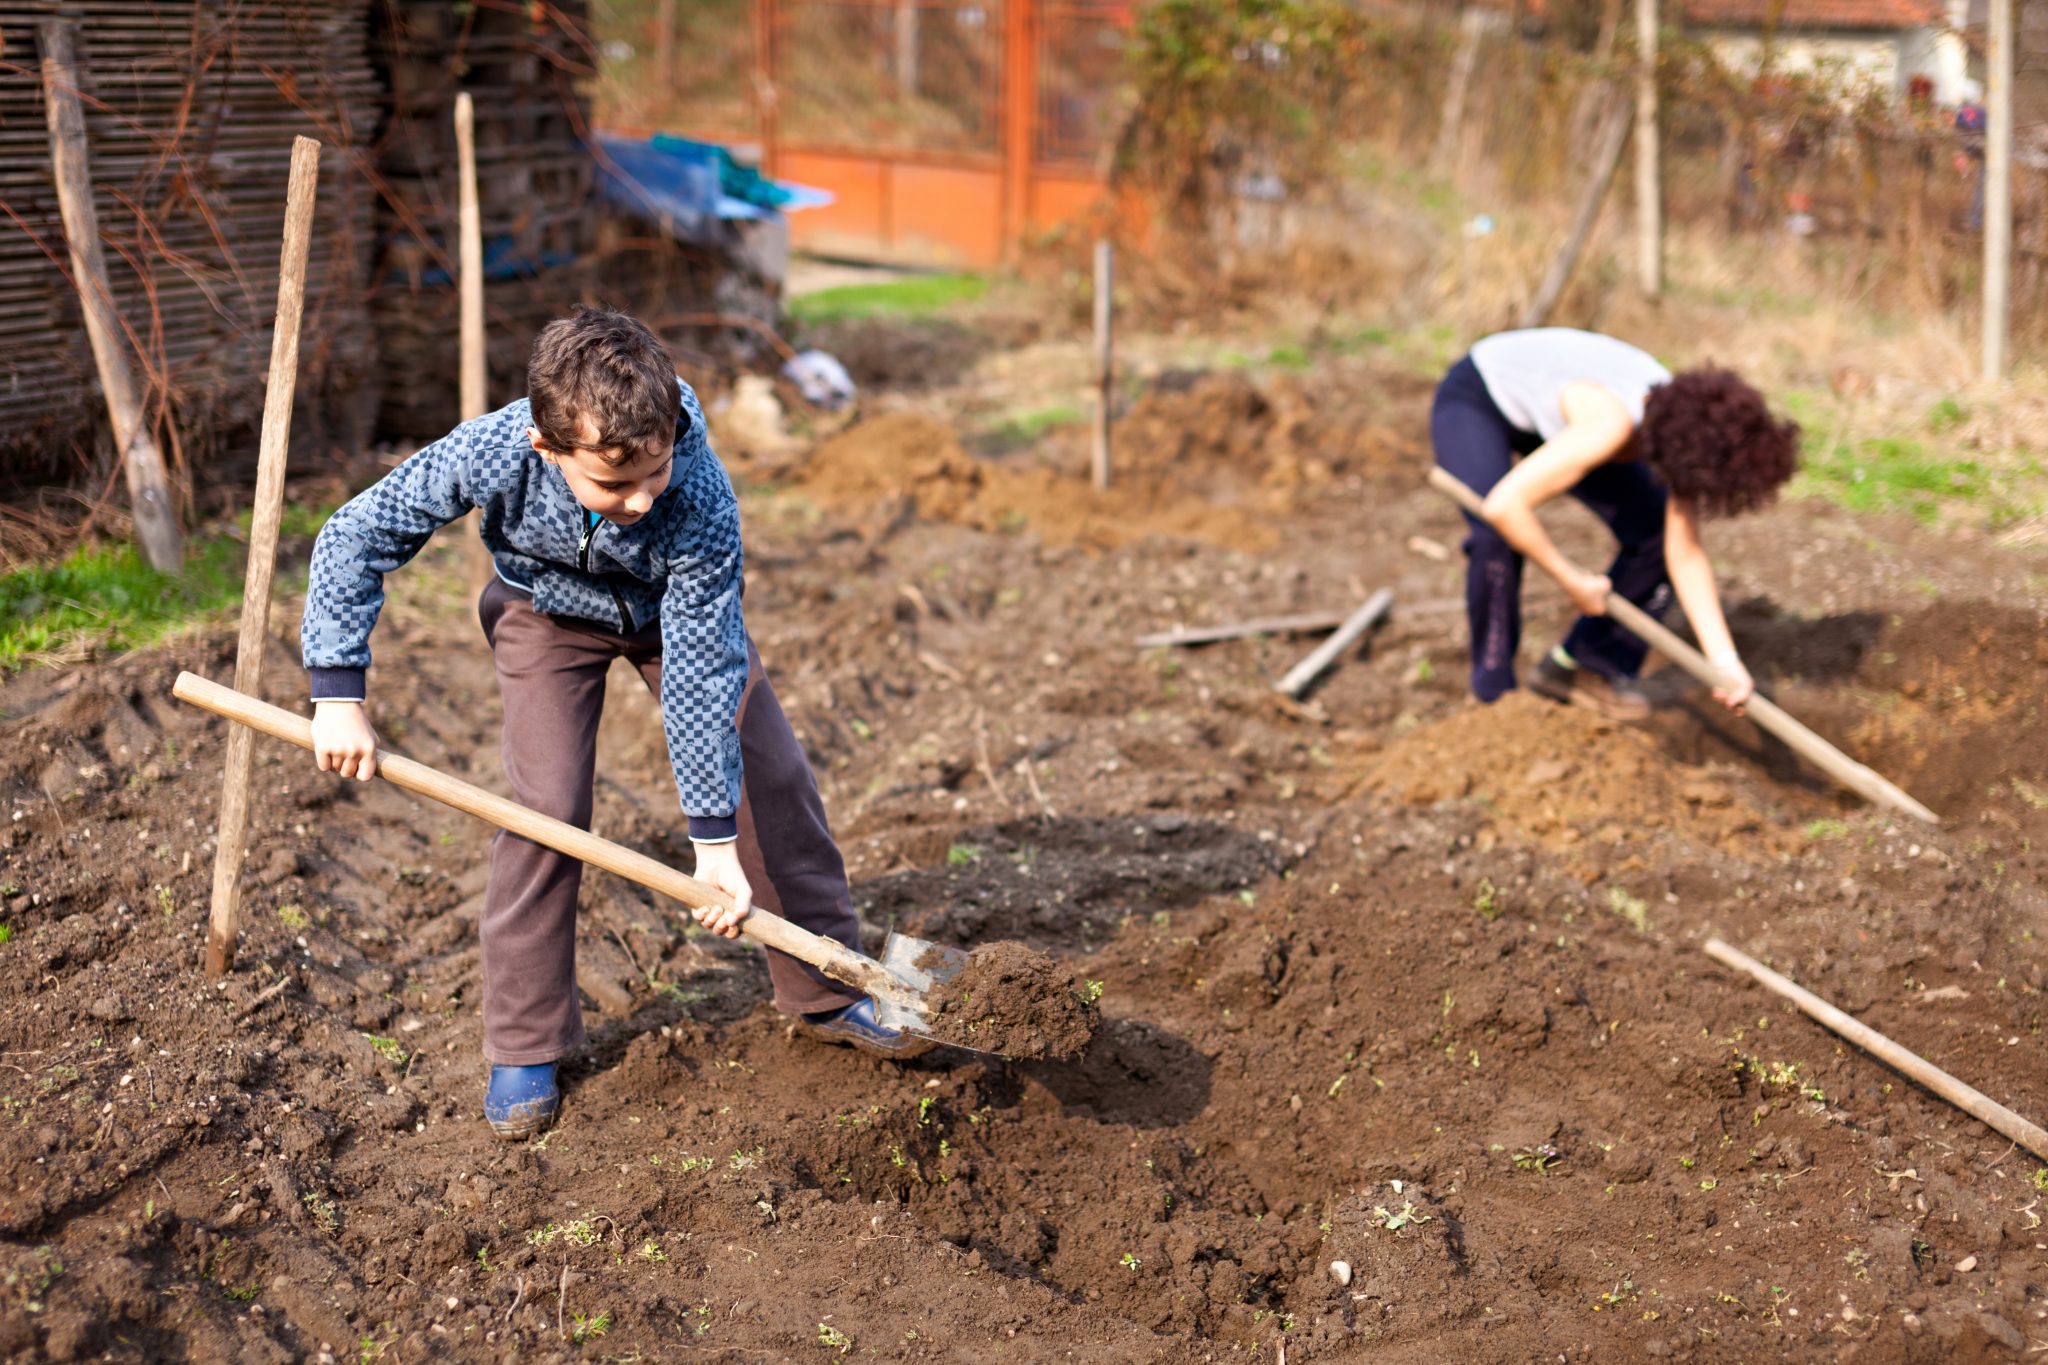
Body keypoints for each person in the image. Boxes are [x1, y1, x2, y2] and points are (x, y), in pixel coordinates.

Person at [300, 306, 922, 1141]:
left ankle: (828, 983)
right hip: (544, 609)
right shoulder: (492, 448)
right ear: (547, 447)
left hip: (675, 616)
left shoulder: (696, 493)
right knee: (546, 810)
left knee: (768, 777)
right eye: (611, 481)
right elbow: (357, 533)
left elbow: (702, 669)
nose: (638, 499)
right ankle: (525, 1042)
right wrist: (337, 690)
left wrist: (711, 844)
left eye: (653, 472)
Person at [1430, 327, 1800, 720]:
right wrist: (1571, 578)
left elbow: (1685, 553)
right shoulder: (1609, 424)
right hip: (1482, 395)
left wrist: (1724, 662)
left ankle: (1583, 667)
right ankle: (1493, 698)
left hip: (1562, 413)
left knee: (1656, 534)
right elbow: (1505, 506)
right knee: (1495, 539)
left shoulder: (1689, 432)